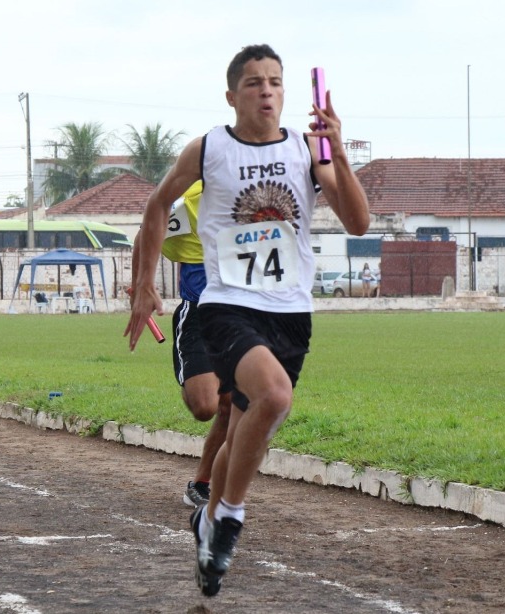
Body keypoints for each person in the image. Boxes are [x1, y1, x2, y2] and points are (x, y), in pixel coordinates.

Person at [125, 43, 369, 597]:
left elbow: (357, 222)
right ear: (232, 94)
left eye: (276, 82)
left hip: (291, 311)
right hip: (227, 304)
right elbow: (157, 206)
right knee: (275, 397)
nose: (267, 91)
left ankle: (207, 521)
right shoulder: (209, 148)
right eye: (255, 82)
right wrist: (143, 287)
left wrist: (340, 151)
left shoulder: (311, 151)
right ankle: (230, 517)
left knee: (243, 426)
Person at [131, 180, 231, 509]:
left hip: (242, 319)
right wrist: (140, 288)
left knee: (234, 403)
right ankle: (194, 379)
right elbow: (144, 235)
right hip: (198, 316)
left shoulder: (261, 201)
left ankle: (202, 483)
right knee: (205, 407)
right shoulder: (193, 200)